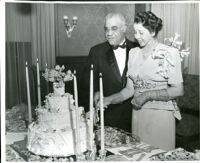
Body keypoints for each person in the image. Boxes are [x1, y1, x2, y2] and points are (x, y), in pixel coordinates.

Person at [98, 11, 184, 151]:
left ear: (153, 31)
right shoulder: (133, 53)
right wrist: (109, 99)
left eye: (141, 32)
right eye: (135, 32)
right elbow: (129, 89)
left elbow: (178, 89)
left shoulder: (169, 53)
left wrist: (147, 95)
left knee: (159, 155)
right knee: (139, 154)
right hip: (138, 114)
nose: (137, 37)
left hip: (160, 115)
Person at [79, 13, 139, 133]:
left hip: (135, 115)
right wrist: (96, 95)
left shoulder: (137, 49)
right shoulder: (96, 51)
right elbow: (87, 84)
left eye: (114, 28)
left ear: (124, 28)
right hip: (107, 117)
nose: (109, 33)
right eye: (106, 29)